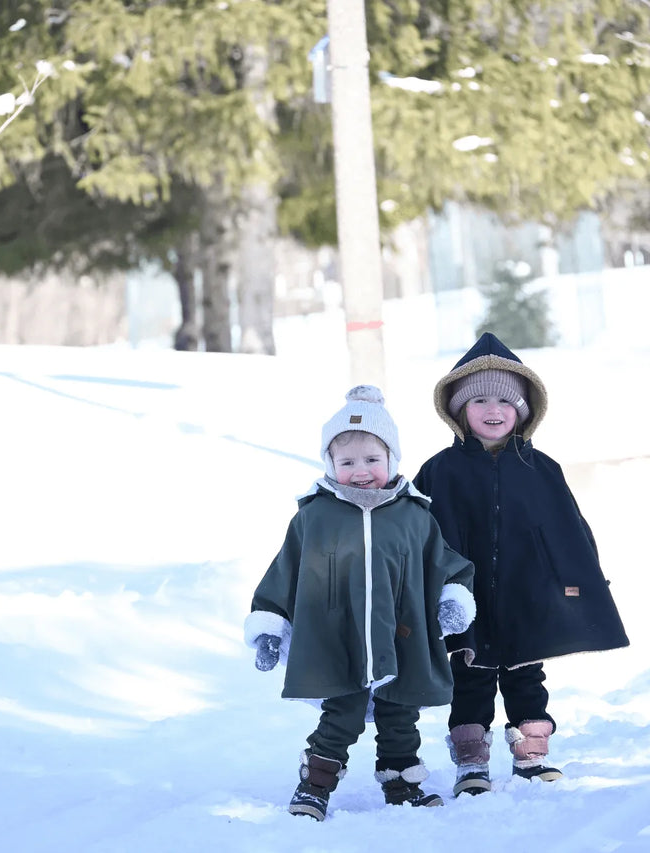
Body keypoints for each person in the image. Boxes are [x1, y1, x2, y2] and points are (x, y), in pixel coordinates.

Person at [244, 385, 476, 821]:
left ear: (391, 459)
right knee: (340, 717)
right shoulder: (315, 515)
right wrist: (269, 629)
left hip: (402, 636)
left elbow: (446, 564)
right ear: (330, 465)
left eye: (372, 459)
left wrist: (452, 601)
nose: (362, 470)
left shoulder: (414, 515)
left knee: (400, 715)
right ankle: (314, 786)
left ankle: (402, 783)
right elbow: (284, 572)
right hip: (337, 639)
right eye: (347, 462)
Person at [413, 332, 629, 797]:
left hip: (524, 591)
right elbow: (415, 532)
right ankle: (471, 761)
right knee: (468, 675)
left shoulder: (542, 468)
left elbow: (569, 529)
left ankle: (532, 753)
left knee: (526, 674)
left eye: (505, 401)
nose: (494, 409)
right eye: (480, 400)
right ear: (458, 411)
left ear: (524, 410)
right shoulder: (439, 471)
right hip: (464, 598)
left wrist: (582, 580)